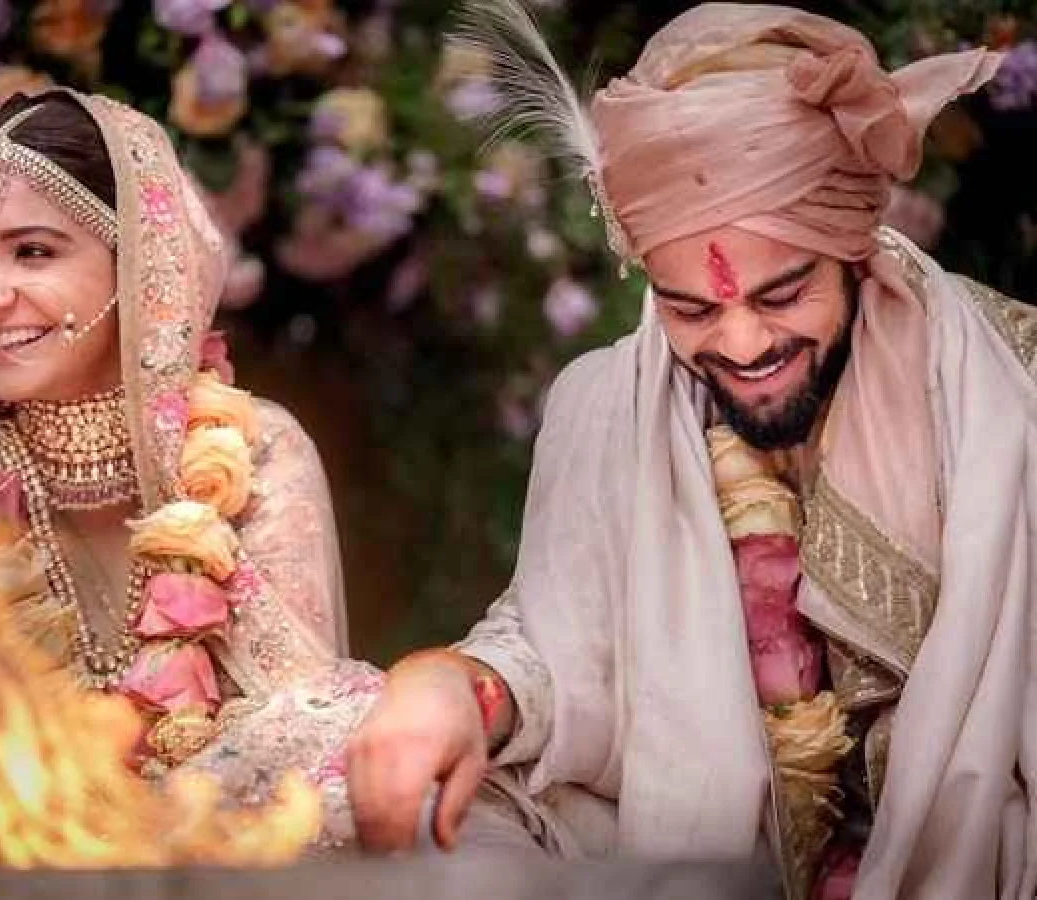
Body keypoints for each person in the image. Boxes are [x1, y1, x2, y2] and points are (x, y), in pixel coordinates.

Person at [347, 4, 1037, 898]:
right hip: (714, 866)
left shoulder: (1007, 393)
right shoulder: (608, 402)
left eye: (783, 294)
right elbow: (553, 646)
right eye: (692, 308)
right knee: (437, 812)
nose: (744, 345)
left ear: (852, 249)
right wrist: (450, 686)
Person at [0, 89, 382, 852]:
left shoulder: (255, 451)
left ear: (142, 267)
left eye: (33, 251)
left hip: (216, 855)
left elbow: (302, 713)